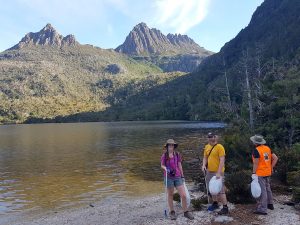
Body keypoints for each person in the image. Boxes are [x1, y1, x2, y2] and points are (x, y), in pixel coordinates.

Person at [161, 139, 194, 220]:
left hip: (178, 176)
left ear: (174, 146)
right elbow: (162, 165)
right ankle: (172, 212)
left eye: (172, 145)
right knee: (170, 195)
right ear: (167, 146)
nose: (171, 147)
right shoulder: (164, 156)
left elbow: (179, 165)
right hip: (168, 177)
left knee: (183, 195)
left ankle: (186, 212)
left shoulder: (177, 154)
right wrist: (165, 168)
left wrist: (182, 176)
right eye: (169, 145)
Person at [250, 134, 278, 215]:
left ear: (255, 143)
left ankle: (263, 209)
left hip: (260, 172)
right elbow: (275, 158)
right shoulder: (267, 148)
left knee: (263, 191)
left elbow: (256, 163)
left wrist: (253, 173)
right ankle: (270, 204)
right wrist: (271, 167)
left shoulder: (256, 150)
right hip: (267, 172)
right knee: (267, 188)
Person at [201, 132, 229, 215]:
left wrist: (219, 172)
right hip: (209, 171)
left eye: (212, 136)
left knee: (221, 190)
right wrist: (203, 165)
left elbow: (222, 160)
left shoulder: (220, 147)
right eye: (209, 137)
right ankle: (215, 203)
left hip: (218, 172)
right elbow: (205, 157)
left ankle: (225, 207)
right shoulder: (207, 147)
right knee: (211, 189)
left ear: (215, 137)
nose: (211, 138)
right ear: (208, 138)